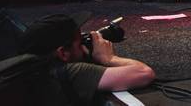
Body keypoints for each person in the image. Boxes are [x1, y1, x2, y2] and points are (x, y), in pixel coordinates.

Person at [16, 13, 155, 104]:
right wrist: (110, 59)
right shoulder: (72, 72)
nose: (83, 43)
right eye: (79, 42)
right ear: (63, 53)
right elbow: (144, 73)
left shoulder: (29, 66)